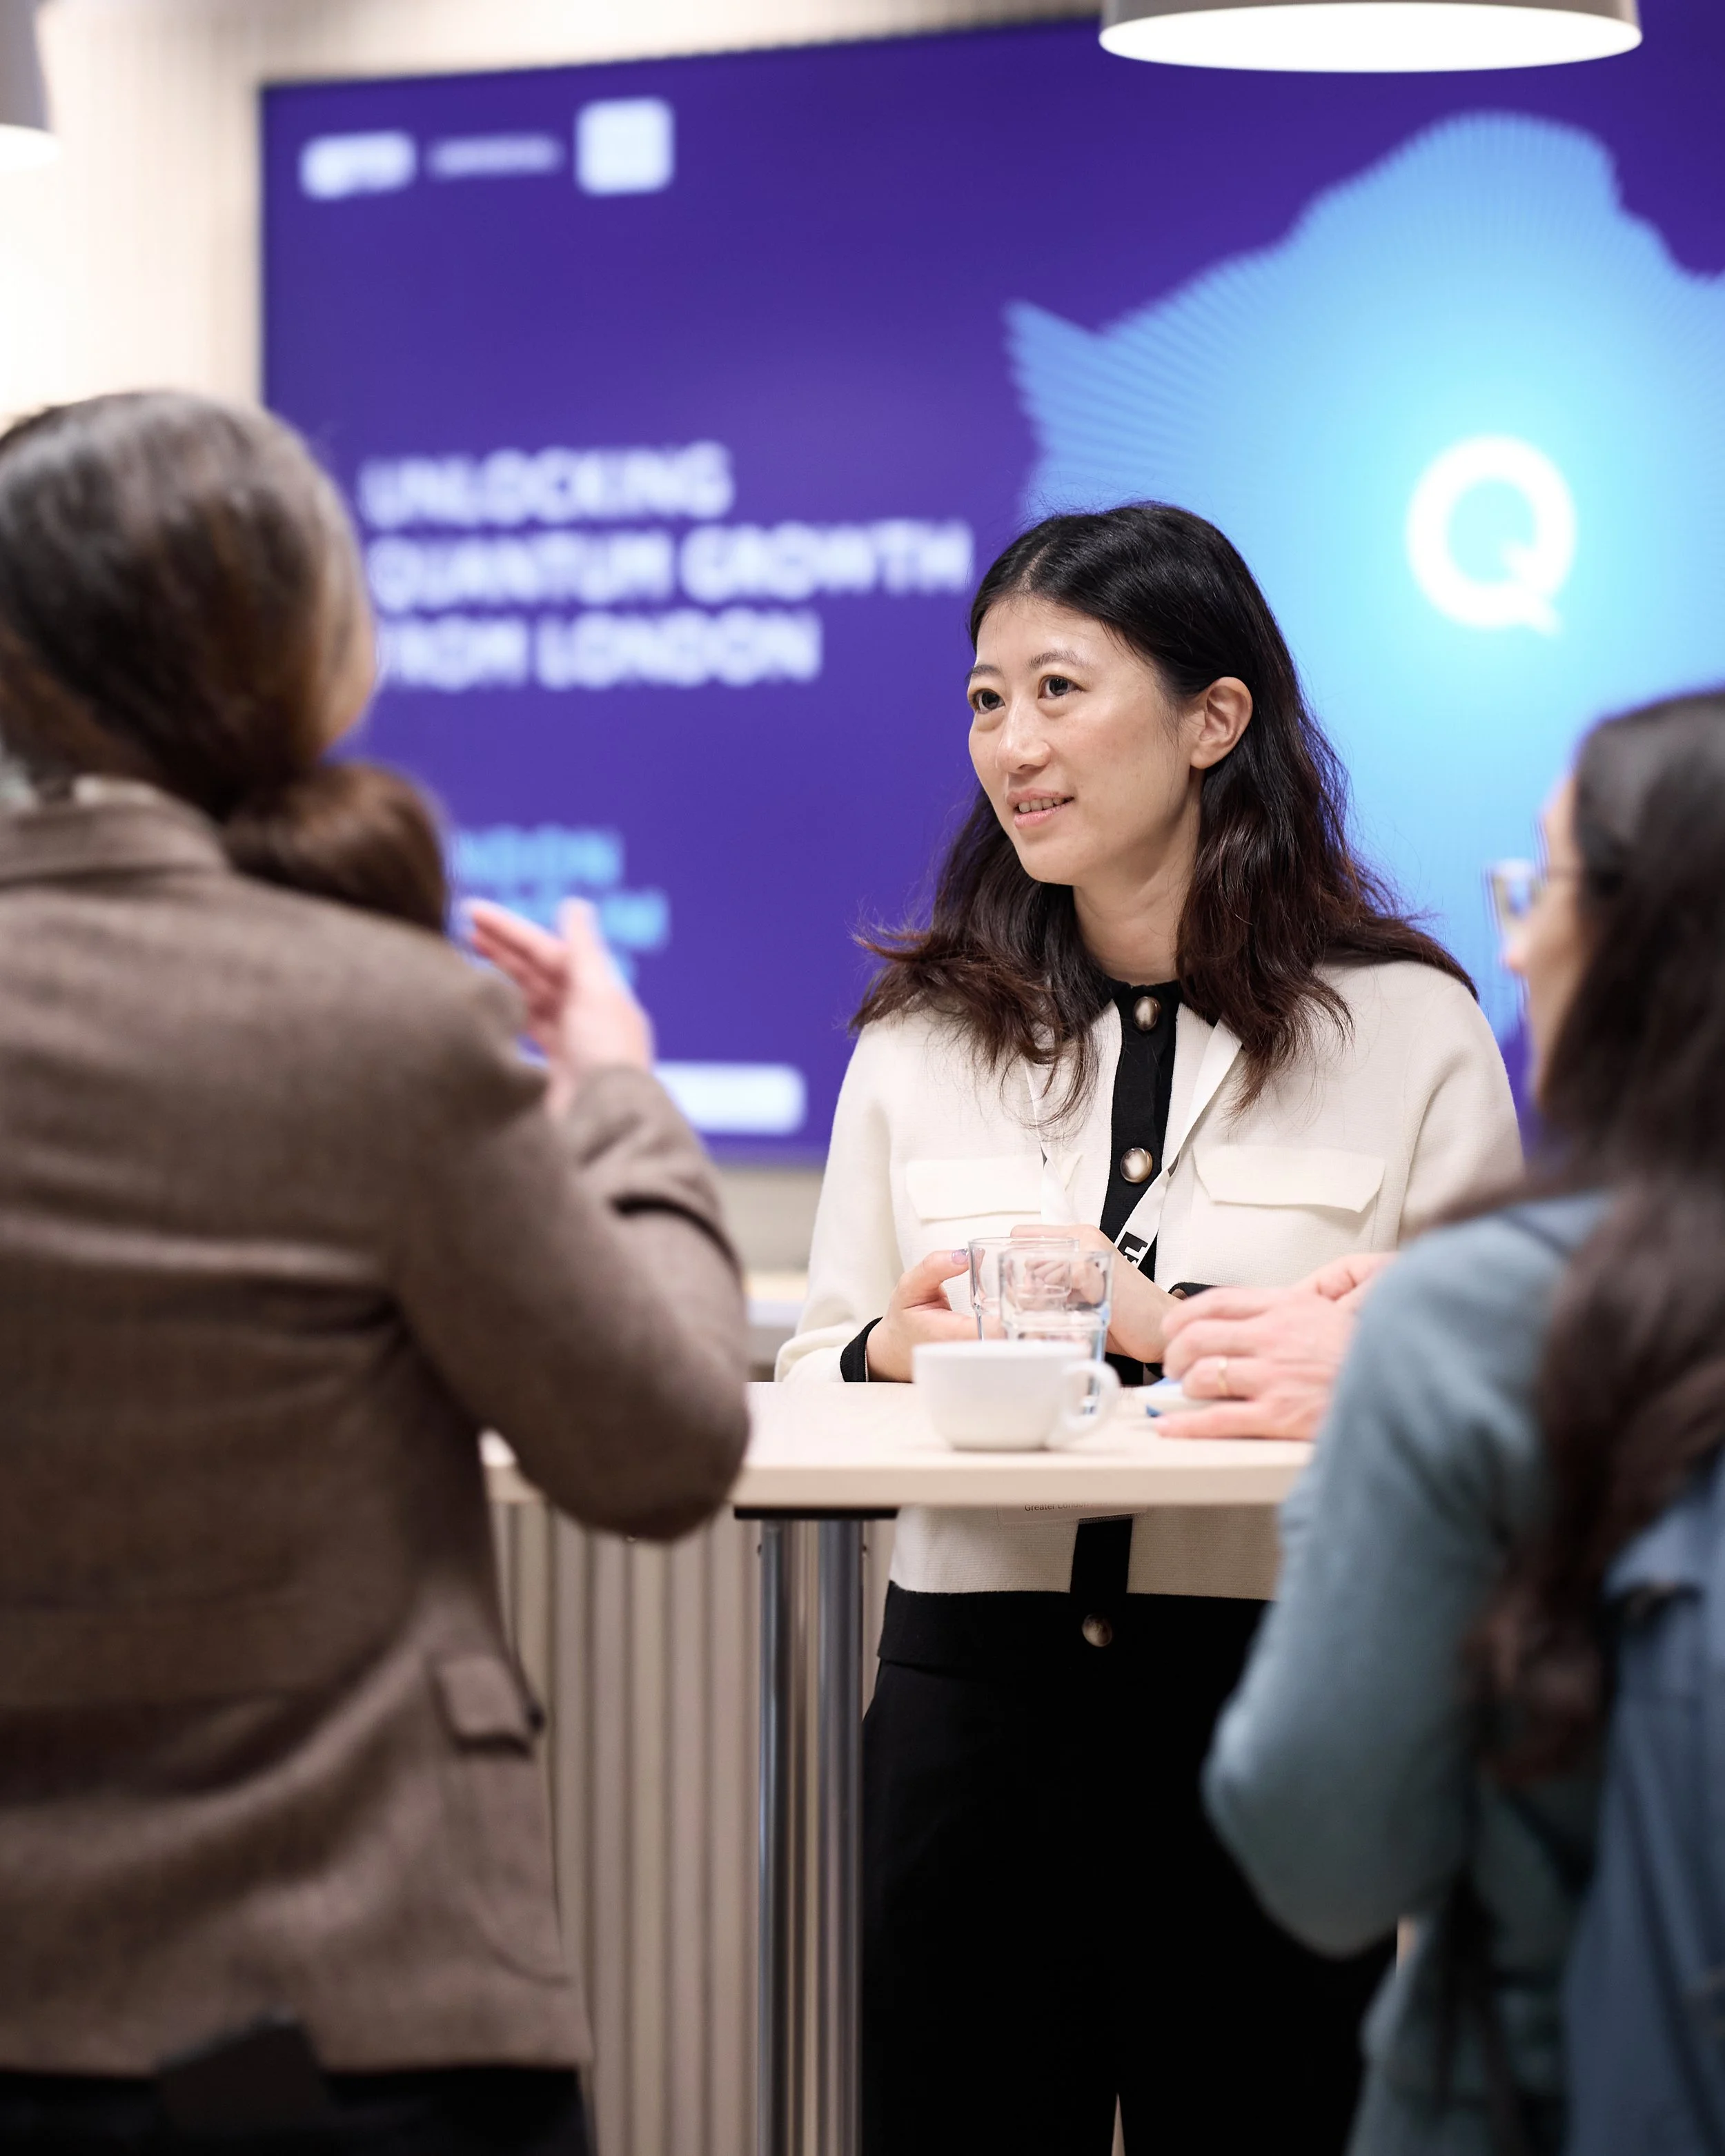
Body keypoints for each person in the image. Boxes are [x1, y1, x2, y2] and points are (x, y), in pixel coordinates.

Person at [0, 390, 749, 2155]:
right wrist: (618, 1103)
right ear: (288, 652)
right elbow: (656, 1447)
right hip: (355, 2015)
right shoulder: (389, 1025)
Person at [776, 504, 1521, 2156]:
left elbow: (1485, 1398)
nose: (1011, 744)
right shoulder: (918, 1037)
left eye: (1057, 688)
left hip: (1272, 1704)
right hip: (967, 1714)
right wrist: (892, 1347)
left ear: (1212, 718)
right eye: (983, 699)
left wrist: (1159, 1322)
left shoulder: (1406, 1025)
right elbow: (813, 1357)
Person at [1203, 691, 1725, 2154]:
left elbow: (1321, 1847)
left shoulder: (1480, 1321)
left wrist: (1361, 1426)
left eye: (1540, 881)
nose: (1509, 938)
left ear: (1649, 936)